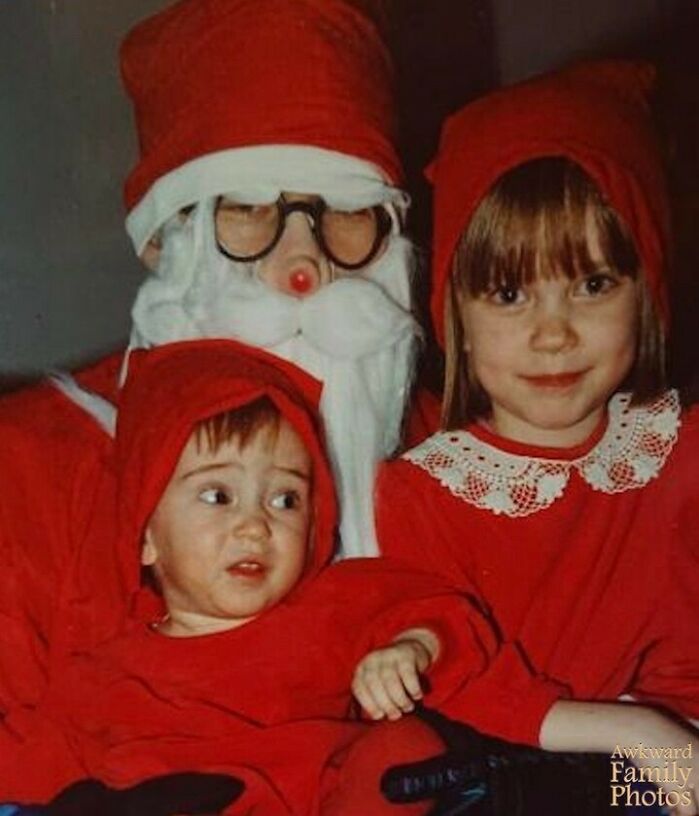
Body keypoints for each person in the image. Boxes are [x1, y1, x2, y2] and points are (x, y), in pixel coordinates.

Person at [0, 0, 433, 720]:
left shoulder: (455, 458)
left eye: (348, 214)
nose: (304, 268)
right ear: (165, 241)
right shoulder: (27, 467)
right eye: (249, 211)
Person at [376, 61, 699, 813]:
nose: (553, 335)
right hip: (515, 774)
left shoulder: (676, 447)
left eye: (592, 285)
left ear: (646, 284)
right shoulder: (422, 491)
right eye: (510, 292)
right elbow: (453, 676)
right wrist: (638, 735)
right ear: (452, 311)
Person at [0, 339, 500, 815]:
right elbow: (30, 764)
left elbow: (450, 614)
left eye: (285, 500)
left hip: (322, 798)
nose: (255, 526)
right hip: (171, 800)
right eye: (218, 496)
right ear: (145, 538)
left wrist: (409, 648)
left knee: (407, 747)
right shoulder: (103, 672)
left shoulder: (327, 610)